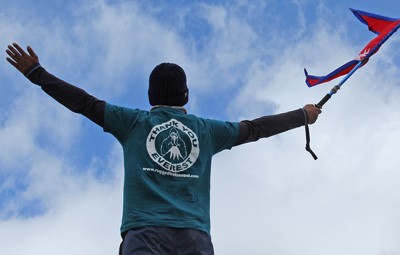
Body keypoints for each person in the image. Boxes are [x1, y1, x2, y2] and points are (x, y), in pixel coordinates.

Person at [6, 42, 321, 255]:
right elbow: (256, 129)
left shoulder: (132, 122)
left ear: (149, 94)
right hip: (194, 238)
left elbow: (84, 103)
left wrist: (37, 74)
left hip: (144, 235)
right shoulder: (208, 131)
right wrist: (302, 116)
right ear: (185, 96)